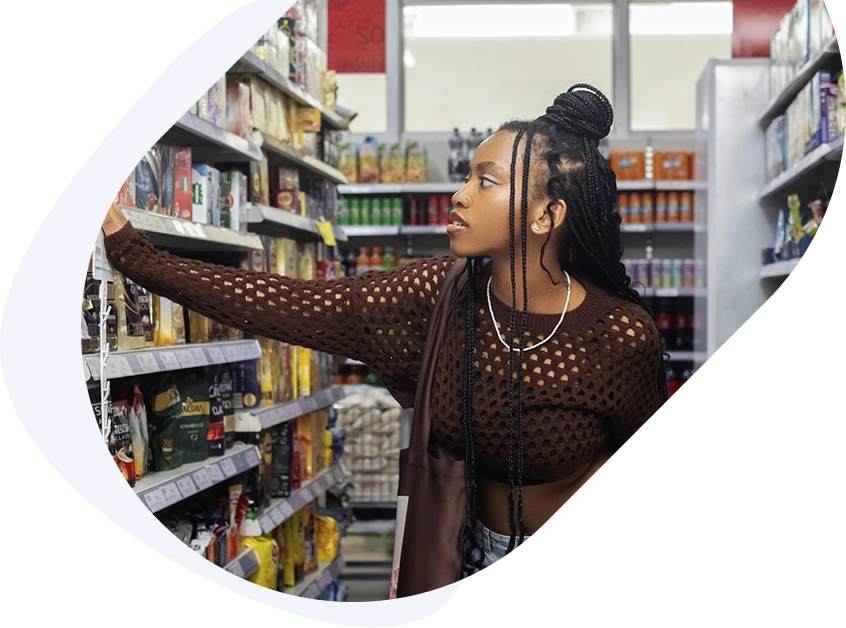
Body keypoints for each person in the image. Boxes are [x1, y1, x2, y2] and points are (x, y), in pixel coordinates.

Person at [101, 84, 667, 585]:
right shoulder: (441, 295)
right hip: (460, 555)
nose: (459, 195)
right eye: (467, 176)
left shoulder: (618, 335)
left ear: (546, 216)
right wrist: (133, 253)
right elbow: (291, 305)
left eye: (485, 182)